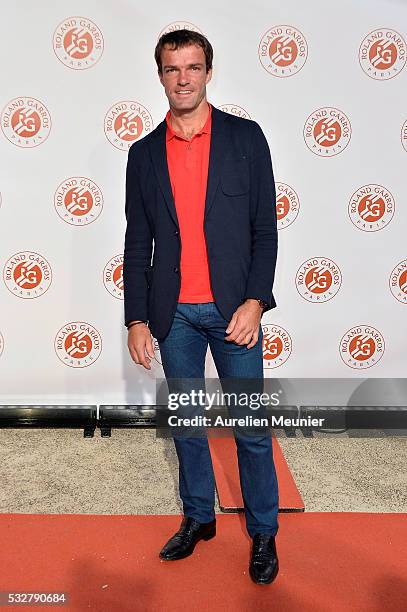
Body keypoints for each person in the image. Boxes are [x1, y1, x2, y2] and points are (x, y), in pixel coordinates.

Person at [123, 29, 279, 585]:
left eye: (193, 67)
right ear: (160, 76)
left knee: (250, 428)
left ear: (209, 72)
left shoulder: (245, 138)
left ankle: (264, 531)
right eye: (172, 68)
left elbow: (265, 229)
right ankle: (198, 517)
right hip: (175, 317)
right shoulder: (143, 155)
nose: (183, 78)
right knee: (187, 424)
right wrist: (137, 318)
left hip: (236, 311)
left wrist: (257, 301)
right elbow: (138, 242)